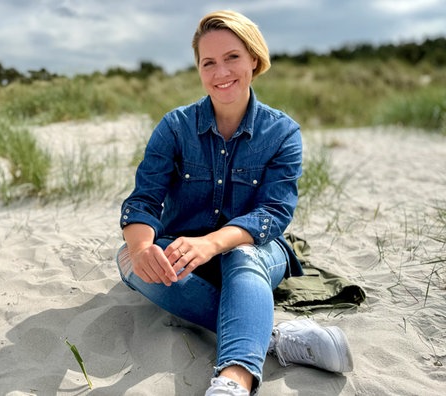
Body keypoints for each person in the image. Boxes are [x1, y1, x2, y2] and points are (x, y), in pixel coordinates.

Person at [115, 9, 353, 396]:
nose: (220, 71)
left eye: (232, 57)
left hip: (256, 252)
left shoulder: (282, 132)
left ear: (254, 60)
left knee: (240, 255)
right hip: (184, 254)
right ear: (199, 69)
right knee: (128, 261)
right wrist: (142, 247)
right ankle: (273, 336)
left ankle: (233, 381)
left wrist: (212, 243)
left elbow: (272, 215)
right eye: (208, 62)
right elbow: (143, 200)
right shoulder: (174, 127)